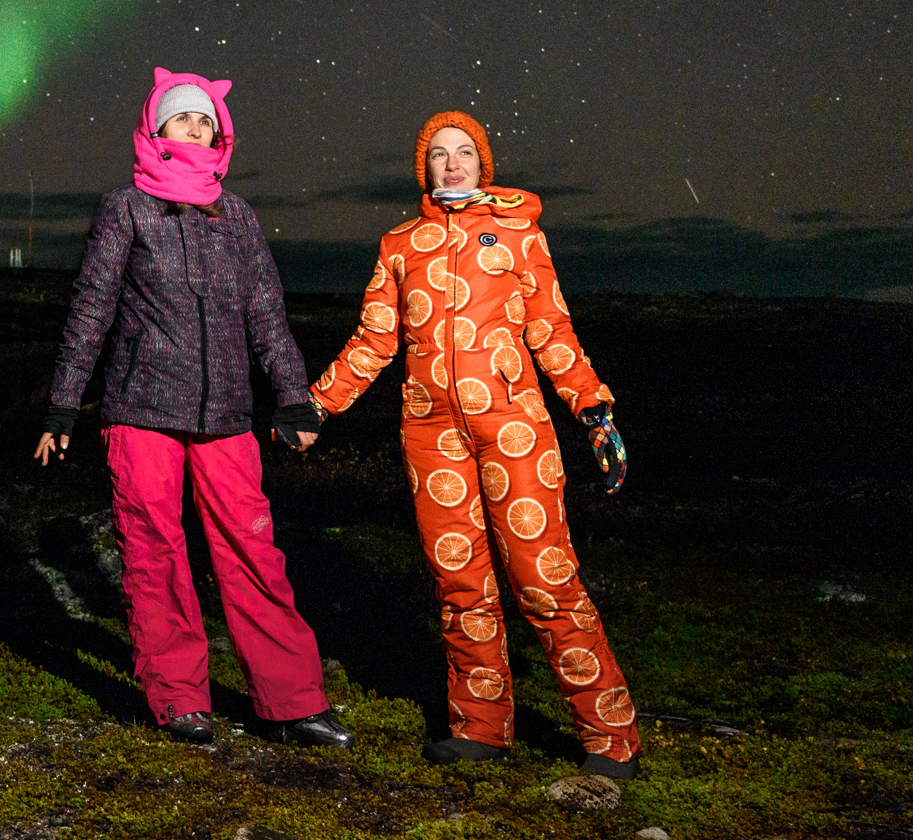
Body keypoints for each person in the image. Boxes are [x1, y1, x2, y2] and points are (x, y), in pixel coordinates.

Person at [308, 109, 642, 781]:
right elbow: (375, 339)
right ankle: (480, 727)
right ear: (424, 169)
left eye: (464, 151)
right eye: (439, 154)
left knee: (545, 579)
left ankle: (610, 736)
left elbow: (551, 329)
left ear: (482, 164)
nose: (452, 163)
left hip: (515, 428)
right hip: (431, 435)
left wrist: (593, 407)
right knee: (461, 585)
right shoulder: (400, 245)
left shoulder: (519, 234)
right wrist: (317, 402)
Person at [37, 66, 348, 749]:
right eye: (182, 117)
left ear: (220, 135)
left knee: (253, 552)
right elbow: (92, 308)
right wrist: (63, 404)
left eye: (206, 119)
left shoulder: (237, 215)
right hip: (141, 409)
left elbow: (266, 312)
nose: (195, 127)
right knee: (154, 554)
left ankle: (293, 703)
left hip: (227, 414)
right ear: (156, 129)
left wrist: (292, 395)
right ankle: (179, 698)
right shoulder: (126, 207)